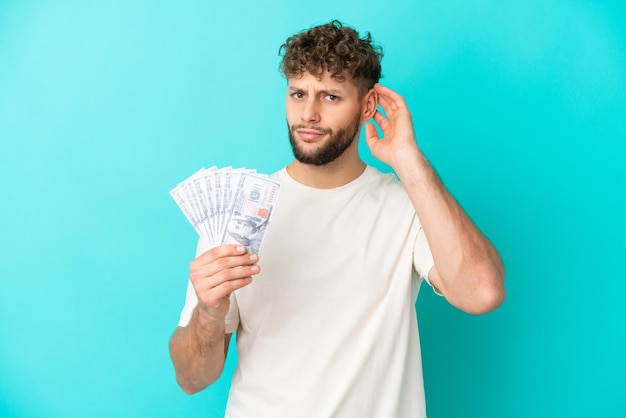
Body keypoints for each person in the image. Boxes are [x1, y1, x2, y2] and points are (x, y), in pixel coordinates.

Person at [169, 20, 505, 417]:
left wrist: (408, 160)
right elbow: (192, 379)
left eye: (330, 96)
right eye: (298, 93)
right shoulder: (237, 212)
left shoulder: (408, 205)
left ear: (366, 107)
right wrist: (209, 313)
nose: (308, 114)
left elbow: (482, 292)